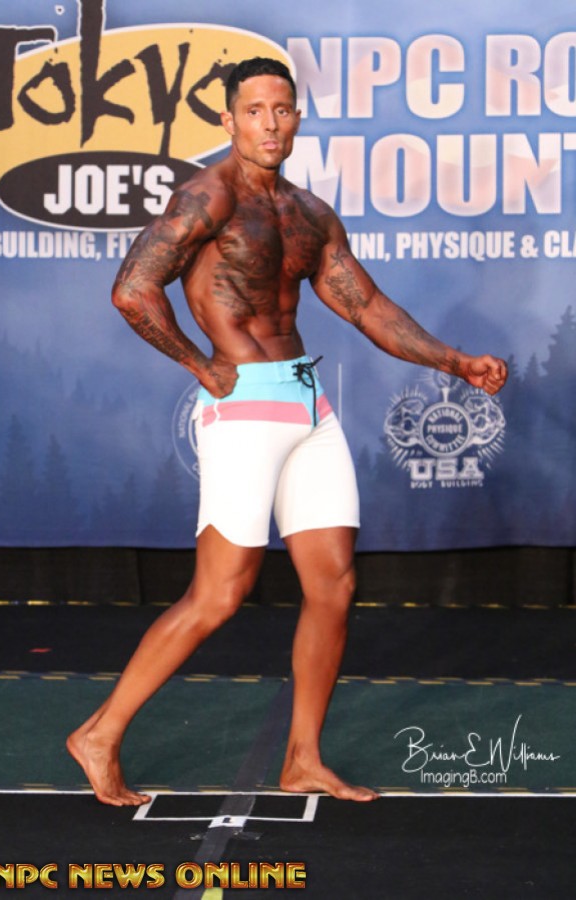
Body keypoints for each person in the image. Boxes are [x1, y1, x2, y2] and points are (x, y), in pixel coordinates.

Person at [67, 57, 507, 806]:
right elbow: (133, 290)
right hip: (243, 407)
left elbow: (367, 306)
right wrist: (200, 365)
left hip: (308, 403)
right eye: (254, 111)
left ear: (297, 117)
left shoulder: (309, 213)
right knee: (219, 594)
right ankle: (100, 734)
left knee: (334, 584)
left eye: (282, 110)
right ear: (228, 119)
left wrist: (455, 361)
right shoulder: (208, 196)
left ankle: (302, 757)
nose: (269, 124)